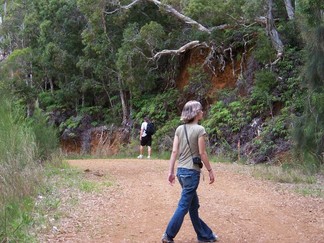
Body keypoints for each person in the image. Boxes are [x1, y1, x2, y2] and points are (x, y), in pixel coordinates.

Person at [162, 100, 218, 243]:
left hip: (181, 172)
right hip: (192, 173)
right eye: (200, 110)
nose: (202, 112)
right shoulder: (200, 129)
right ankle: (168, 235)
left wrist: (171, 171)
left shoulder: (179, 129)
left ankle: (205, 236)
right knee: (183, 206)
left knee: (193, 206)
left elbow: (174, 151)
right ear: (195, 113)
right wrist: (210, 170)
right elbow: (202, 153)